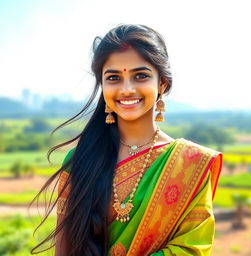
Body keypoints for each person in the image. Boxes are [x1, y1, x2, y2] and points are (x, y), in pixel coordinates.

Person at [31, 24, 222, 256]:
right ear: (103, 85)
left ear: (162, 84)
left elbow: (192, 249)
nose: (127, 89)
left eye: (140, 76)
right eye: (113, 78)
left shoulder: (190, 165)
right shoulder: (80, 160)